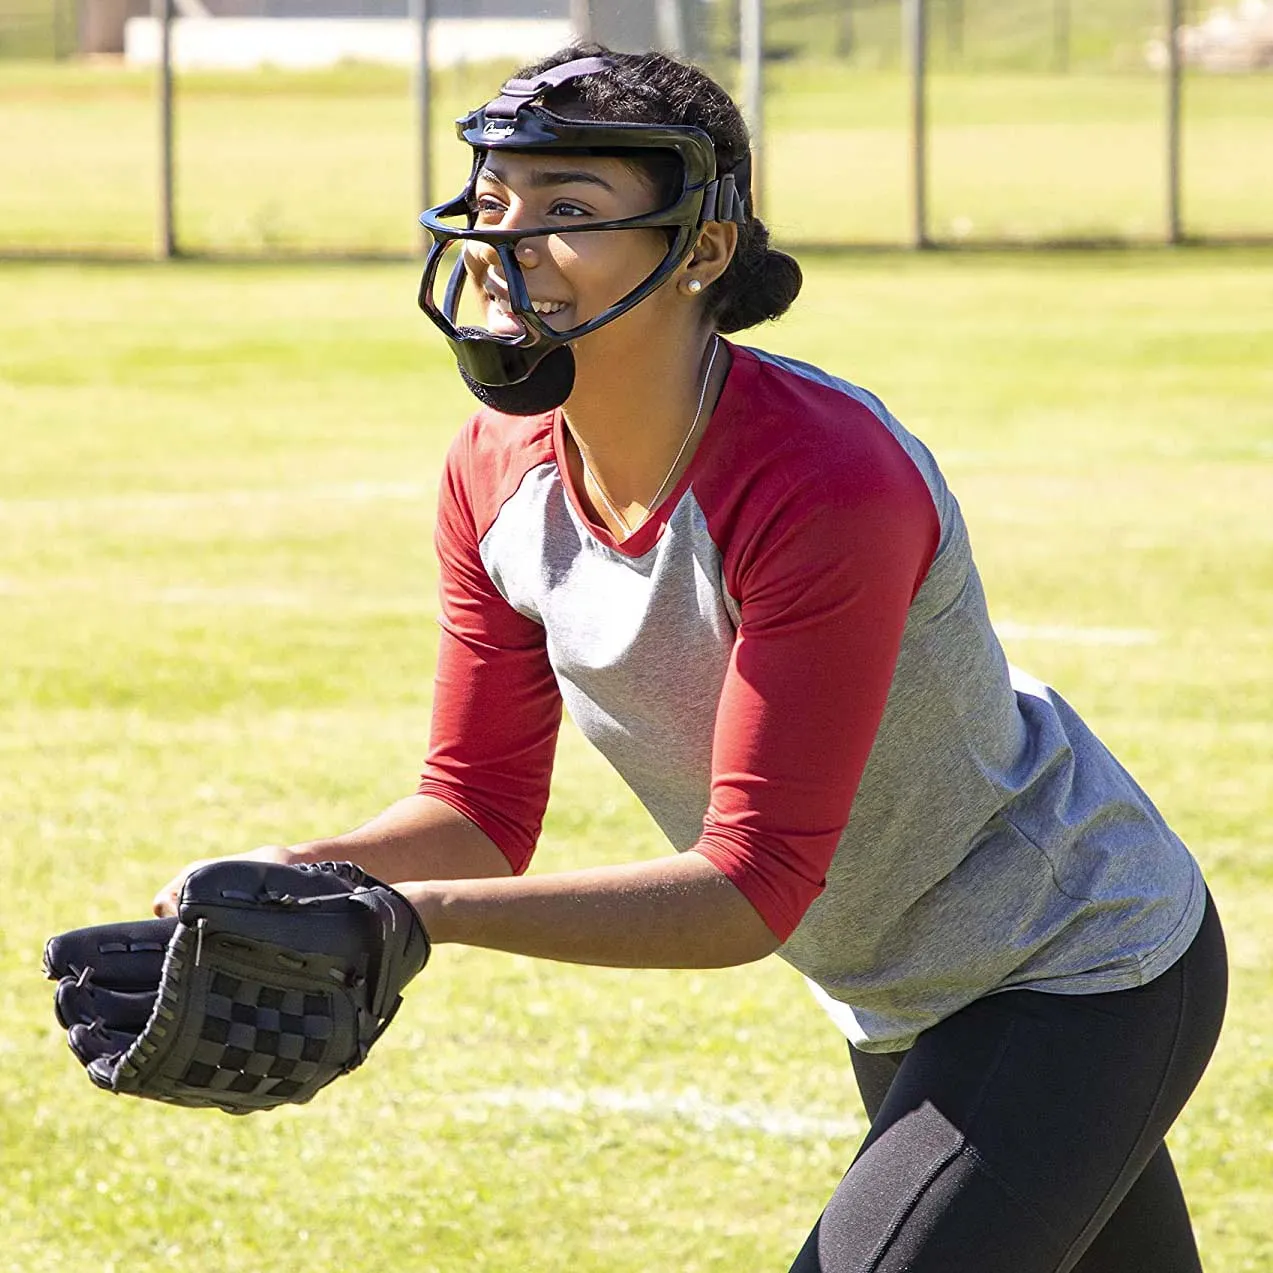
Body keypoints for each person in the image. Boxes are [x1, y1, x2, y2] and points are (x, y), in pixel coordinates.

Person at [154, 46, 1227, 1273]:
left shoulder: (822, 481)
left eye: (567, 213)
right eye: (495, 206)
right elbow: (477, 807)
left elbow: (746, 891)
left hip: (1074, 960)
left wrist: (406, 917)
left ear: (701, 252)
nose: (511, 248)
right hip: (898, 987)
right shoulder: (492, 473)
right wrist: (291, 873)